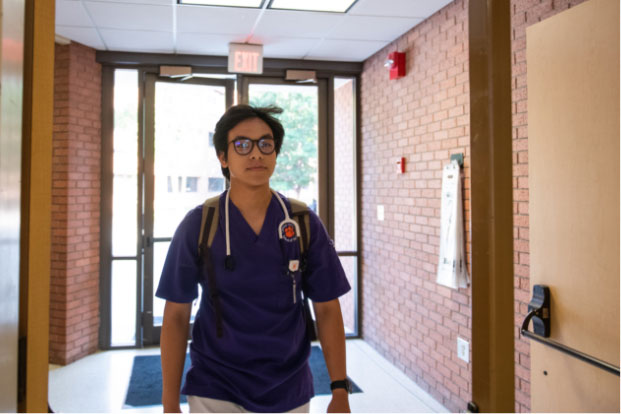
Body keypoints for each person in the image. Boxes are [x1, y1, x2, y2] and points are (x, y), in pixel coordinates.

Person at [156, 104, 352, 413]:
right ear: (223, 157)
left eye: (266, 143)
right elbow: (176, 315)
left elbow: (327, 308)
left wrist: (339, 389)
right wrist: (169, 403)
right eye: (243, 144)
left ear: (275, 153)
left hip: (289, 388)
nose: (256, 154)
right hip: (215, 387)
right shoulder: (199, 224)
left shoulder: (302, 222)